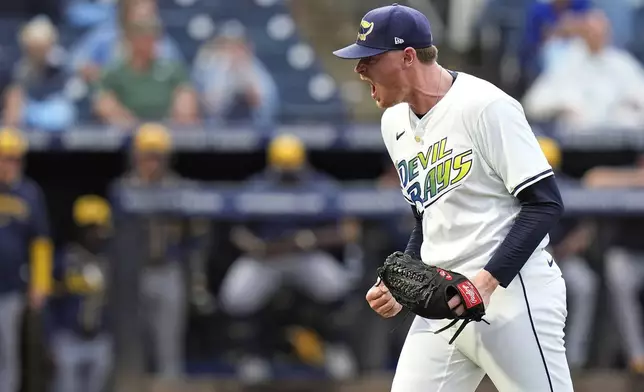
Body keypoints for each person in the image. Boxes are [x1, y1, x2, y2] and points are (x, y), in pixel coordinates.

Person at [333, 4, 572, 392]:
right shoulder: (393, 122)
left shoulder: (487, 107)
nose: (360, 69)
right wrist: (400, 282)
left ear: (408, 56)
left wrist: (486, 282)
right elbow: (425, 216)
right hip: (444, 299)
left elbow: (545, 203)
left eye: (371, 59)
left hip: (512, 296)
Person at [218, 134, 361, 385]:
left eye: (292, 168)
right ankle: (251, 357)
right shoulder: (257, 186)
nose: (288, 174)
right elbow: (237, 231)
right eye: (283, 169)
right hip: (267, 258)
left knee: (336, 285)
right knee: (236, 295)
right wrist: (254, 246)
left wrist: (310, 240)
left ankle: (336, 349)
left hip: (306, 255)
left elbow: (349, 229)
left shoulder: (320, 185)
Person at [0, 127, 52, 392]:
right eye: (3, 158)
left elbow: (41, 242)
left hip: (10, 289)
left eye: (13, 158)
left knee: (8, 352)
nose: (8, 164)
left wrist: (40, 283)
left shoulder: (29, 192)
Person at [51, 195, 113, 392]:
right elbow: (46, 300)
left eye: (100, 228)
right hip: (68, 338)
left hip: (100, 339)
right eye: (92, 228)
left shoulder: (111, 260)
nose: (98, 233)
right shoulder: (64, 259)